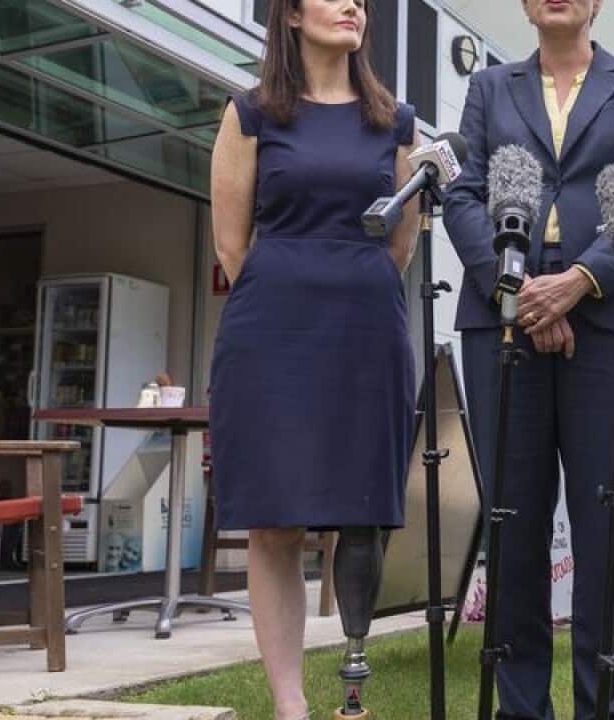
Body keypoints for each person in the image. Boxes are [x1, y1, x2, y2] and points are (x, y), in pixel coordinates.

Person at [443, 0, 614, 716]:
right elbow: (462, 193)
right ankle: (519, 708)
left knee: (605, 525)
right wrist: (517, 294)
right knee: (513, 526)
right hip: (502, 321)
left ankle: (608, 706)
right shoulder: (489, 87)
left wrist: (577, 282)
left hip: (608, 322)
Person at [207, 0, 420, 717]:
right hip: (273, 333)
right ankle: (291, 704)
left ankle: (350, 686)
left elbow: (401, 245)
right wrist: (292, 290)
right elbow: (232, 247)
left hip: (366, 330)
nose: (354, 5)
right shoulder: (250, 114)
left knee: (357, 510)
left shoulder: (396, 123)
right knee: (274, 521)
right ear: (291, 16)